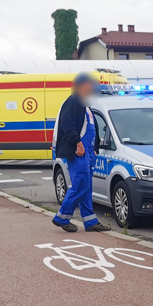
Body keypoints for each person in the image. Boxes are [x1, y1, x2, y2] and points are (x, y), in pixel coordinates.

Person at [51, 73, 110, 233]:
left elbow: (93, 128)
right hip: (79, 151)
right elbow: (67, 124)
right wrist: (78, 143)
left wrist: (95, 148)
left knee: (86, 187)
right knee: (80, 185)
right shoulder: (73, 101)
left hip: (88, 152)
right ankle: (61, 217)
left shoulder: (86, 105)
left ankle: (90, 222)